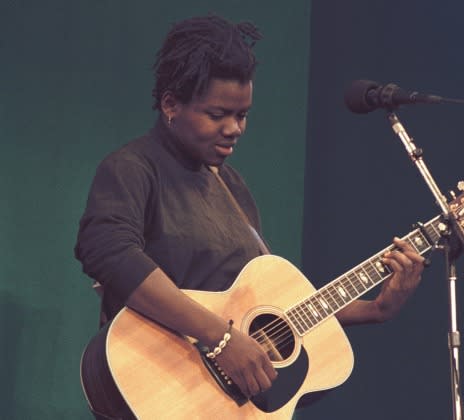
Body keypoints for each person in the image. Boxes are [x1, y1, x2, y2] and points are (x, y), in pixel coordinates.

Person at [75, 13, 425, 419]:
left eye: (242, 116)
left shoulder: (232, 187)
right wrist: (221, 340)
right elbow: (110, 254)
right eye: (217, 114)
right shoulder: (133, 167)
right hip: (160, 389)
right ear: (171, 104)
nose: (234, 129)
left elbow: (273, 309)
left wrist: (377, 308)